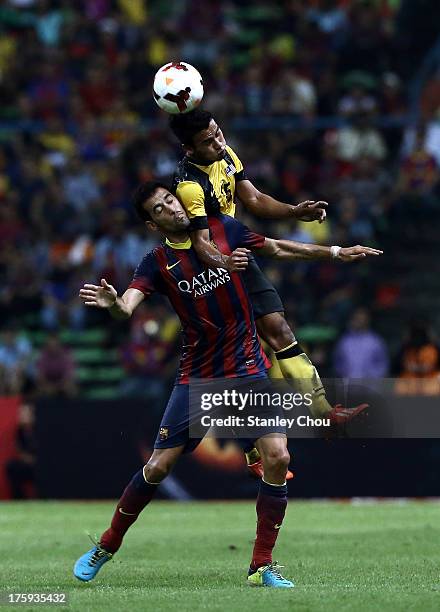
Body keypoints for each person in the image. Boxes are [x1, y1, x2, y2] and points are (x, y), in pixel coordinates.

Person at [73, 182, 381, 587]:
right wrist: (114, 303)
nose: (171, 207)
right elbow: (127, 306)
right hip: (198, 376)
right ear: (153, 224)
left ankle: (261, 566)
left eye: (171, 199)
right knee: (158, 466)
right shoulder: (156, 262)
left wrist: (338, 252)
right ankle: (107, 545)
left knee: (279, 458)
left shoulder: (224, 229)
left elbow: (280, 248)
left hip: (248, 370)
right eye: (160, 209)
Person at [169, 109, 368, 475]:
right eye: (208, 141)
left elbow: (255, 199)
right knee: (241, 362)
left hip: (239, 257)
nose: (218, 142)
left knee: (280, 331)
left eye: (218, 133)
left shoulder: (224, 154)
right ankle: (252, 450)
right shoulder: (188, 187)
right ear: (188, 149)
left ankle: (325, 413)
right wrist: (222, 264)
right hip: (210, 272)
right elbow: (199, 242)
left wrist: (296, 211)